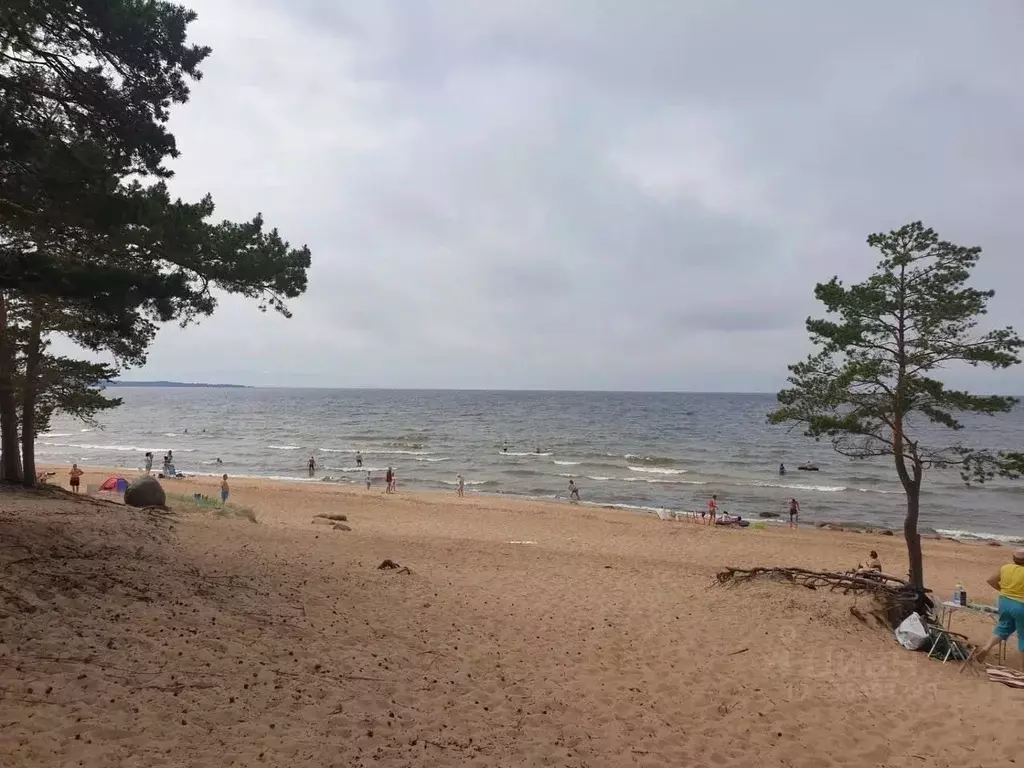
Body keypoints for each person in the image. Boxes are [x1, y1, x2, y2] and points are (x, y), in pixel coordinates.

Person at [977, 548, 1024, 669]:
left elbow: (990, 580)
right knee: (1022, 636)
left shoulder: (1005, 568)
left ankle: (986, 648)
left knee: (1003, 627)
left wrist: (1002, 590)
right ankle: (1022, 669)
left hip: (1004, 601)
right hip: (1021, 605)